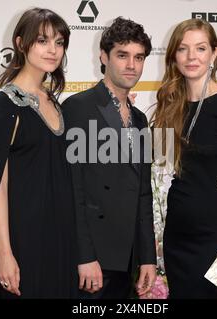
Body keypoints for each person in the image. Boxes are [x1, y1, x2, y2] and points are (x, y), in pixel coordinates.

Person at [152, 18, 217, 298]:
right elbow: (160, 166)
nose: (191, 57)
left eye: (200, 48)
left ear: (214, 53)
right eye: (183, 49)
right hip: (178, 239)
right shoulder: (170, 105)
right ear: (174, 56)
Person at [0, 7, 78, 298]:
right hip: (24, 238)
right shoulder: (2, 104)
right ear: (21, 43)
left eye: (59, 42)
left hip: (61, 236)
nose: (52, 50)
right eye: (42, 41)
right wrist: (4, 253)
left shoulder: (54, 101)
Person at [62, 17, 156, 299]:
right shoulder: (78, 108)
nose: (131, 65)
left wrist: (147, 257)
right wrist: (84, 256)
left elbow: (142, 193)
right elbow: (73, 190)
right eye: (122, 55)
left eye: (138, 57)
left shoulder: (140, 120)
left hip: (126, 261)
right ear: (104, 56)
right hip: (91, 262)